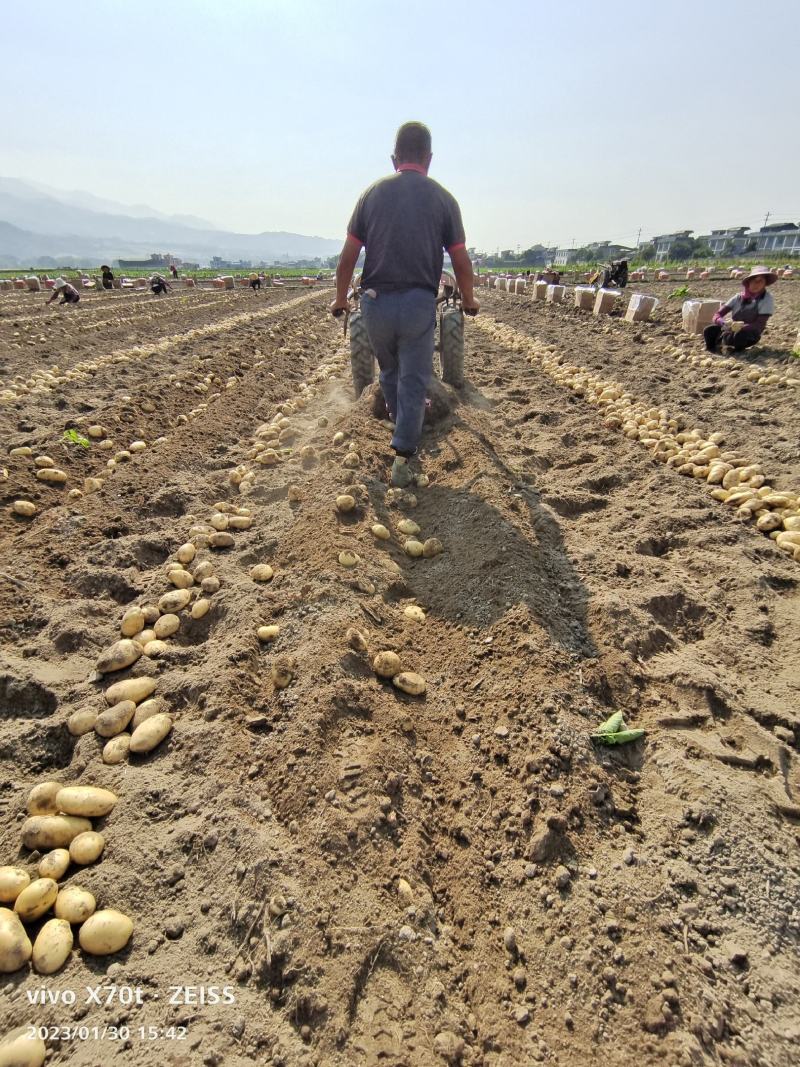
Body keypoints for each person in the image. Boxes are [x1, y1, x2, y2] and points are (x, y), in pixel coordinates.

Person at [330, 121, 479, 487]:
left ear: (394, 157)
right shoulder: (444, 199)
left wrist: (339, 298)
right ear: (428, 158)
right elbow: (460, 261)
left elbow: (347, 258)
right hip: (416, 304)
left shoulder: (370, 195)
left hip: (375, 304)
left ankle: (398, 416)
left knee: (390, 372)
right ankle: (403, 456)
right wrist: (470, 299)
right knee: (414, 378)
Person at [703, 265, 777, 354]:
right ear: (748, 282)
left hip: (750, 333)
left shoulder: (766, 299)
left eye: (760, 281)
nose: (756, 284)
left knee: (739, 336)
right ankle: (713, 349)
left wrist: (741, 327)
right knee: (709, 330)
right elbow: (717, 315)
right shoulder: (738, 298)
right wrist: (723, 322)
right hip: (731, 329)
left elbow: (759, 324)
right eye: (754, 281)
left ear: (765, 283)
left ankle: (737, 351)